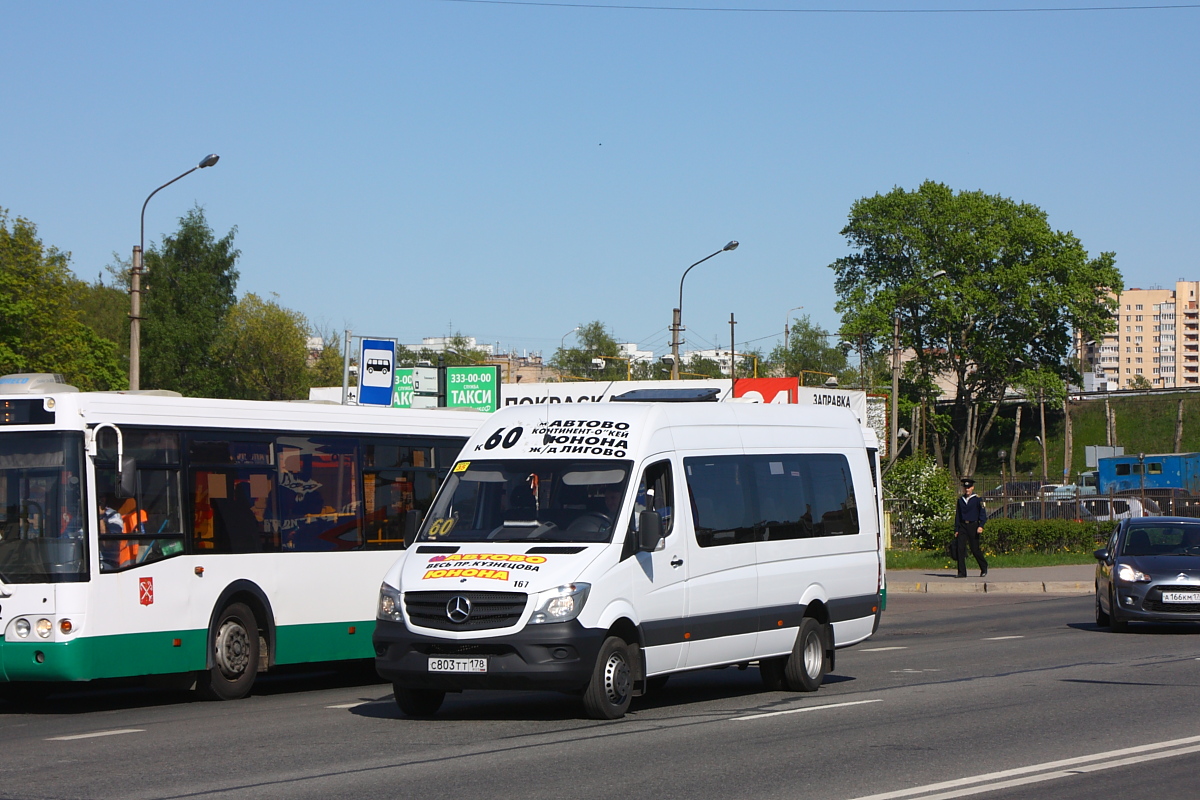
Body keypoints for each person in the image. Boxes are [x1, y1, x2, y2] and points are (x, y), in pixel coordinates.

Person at [954, 478, 988, 578]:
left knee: (975, 549)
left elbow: (982, 513)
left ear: (972, 488)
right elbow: (958, 515)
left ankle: (983, 567)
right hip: (963, 526)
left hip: (973, 526)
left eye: (969, 487)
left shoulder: (977, 499)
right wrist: (956, 529)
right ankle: (962, 572)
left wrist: (981, 525)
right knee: (960, 549)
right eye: (965, 487)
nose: (967, 489)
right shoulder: (960, 500)